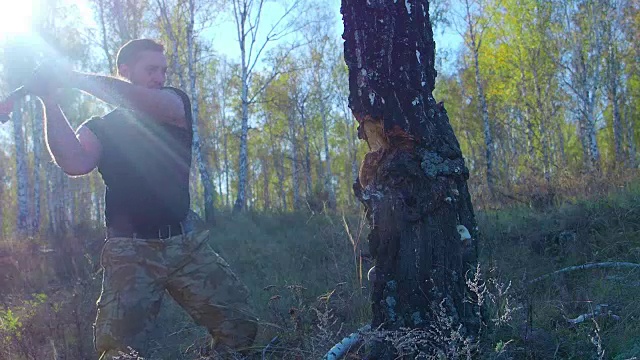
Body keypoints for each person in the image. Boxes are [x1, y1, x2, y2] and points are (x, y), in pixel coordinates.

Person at [24, 39, 259, 359]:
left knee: (240, 325)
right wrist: (50, 101)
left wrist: (73, 77)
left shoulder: (174, 105)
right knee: (120, 353)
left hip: (185, 245)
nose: (160, 77)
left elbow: (135, 98)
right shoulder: (100, 127)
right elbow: (74, 162)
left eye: (163, 70)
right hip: (129, 252)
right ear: (124, 71)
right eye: (151, 70)